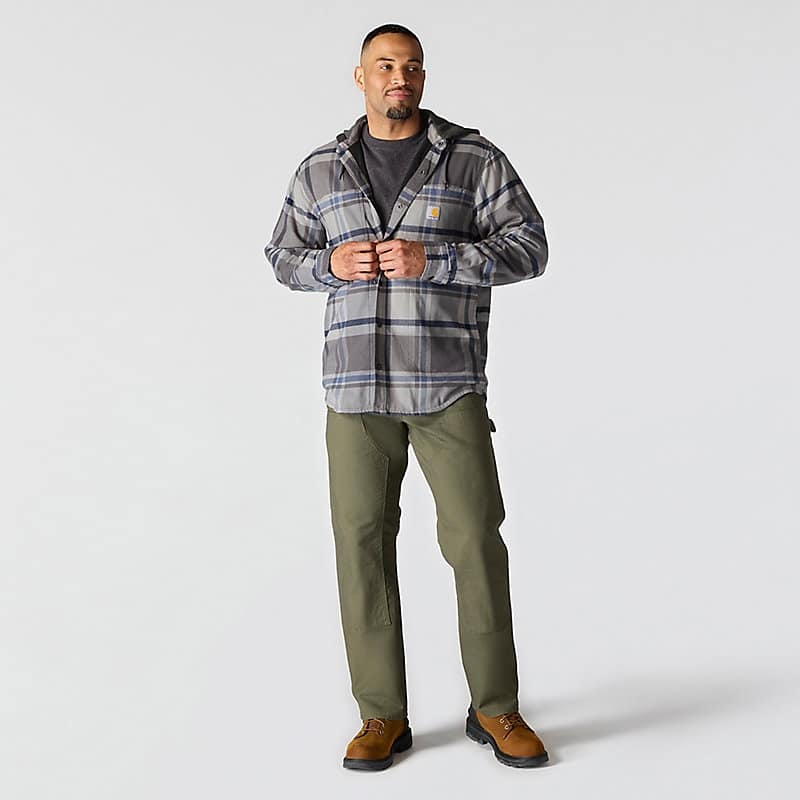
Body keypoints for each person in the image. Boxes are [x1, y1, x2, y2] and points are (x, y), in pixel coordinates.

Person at [264, 23, 550, 770]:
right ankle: (380, 715)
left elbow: (530, 246)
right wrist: (329, 265)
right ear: (360, 77)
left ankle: (496, 707)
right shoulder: (321, 169)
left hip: (445, 382)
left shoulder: (473, 159)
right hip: (355, 390)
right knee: (360, 546)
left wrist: (438, 258)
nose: (401, 77)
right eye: (386, 65)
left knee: (474, 539)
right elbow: (283, 255)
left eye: (413, 66)